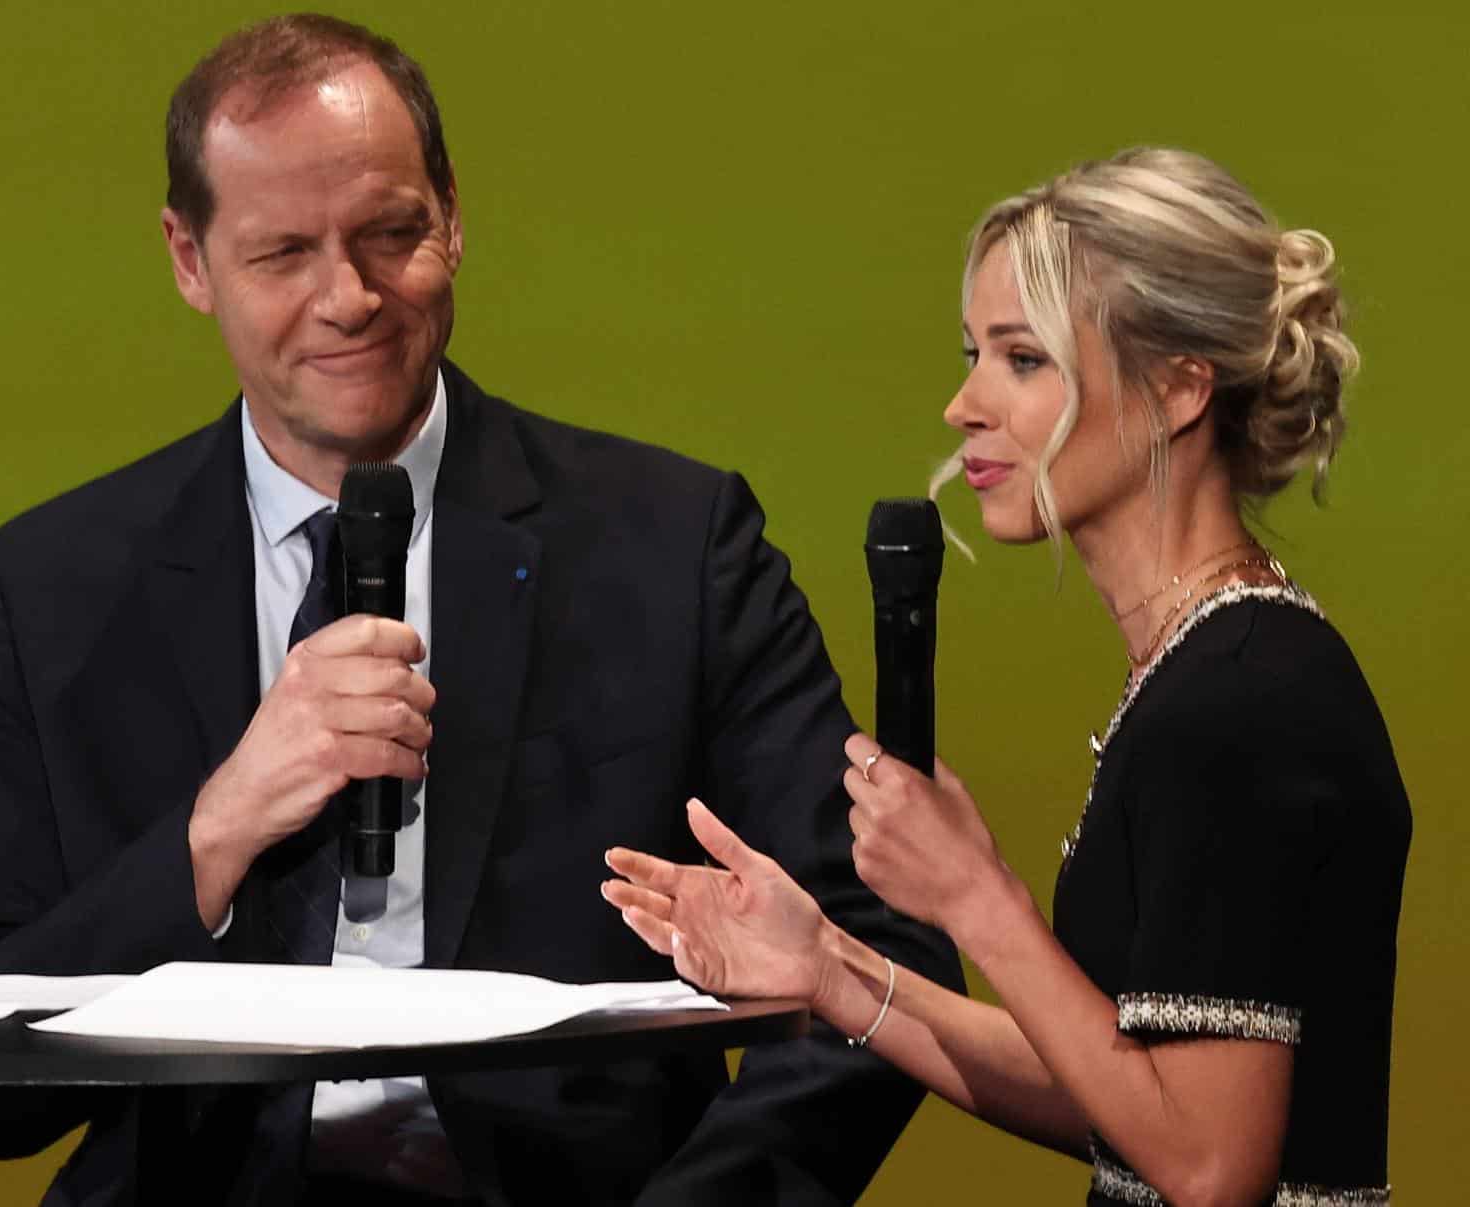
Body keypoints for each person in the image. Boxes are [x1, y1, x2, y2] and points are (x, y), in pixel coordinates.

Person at [0, 13, 961, 1206]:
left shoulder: (671, 545)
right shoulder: (45, 590)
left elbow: (886, 957)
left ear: (453, 219)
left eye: (390, 235)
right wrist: (213, 833)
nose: (348, 297)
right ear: (188, 259)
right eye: (282, 254)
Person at [604, 148, 1410, 1206]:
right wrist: (830, 967)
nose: (964, 404)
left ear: (1177, 387)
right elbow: (1122, 1097)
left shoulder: (1238, 706)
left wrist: (975, 896)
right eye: (974, 352)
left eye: (1023, 358)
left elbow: (1211, 1167)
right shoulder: (1209, 672)